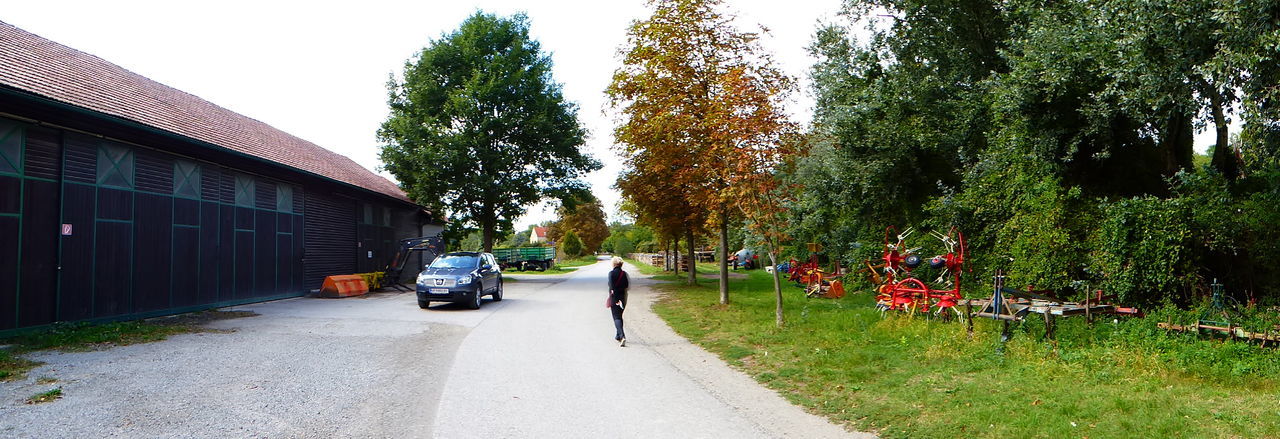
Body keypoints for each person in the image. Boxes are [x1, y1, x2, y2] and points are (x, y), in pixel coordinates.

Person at [607, 256, 630, 347]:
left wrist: (616, 299)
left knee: (616, 317)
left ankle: (622, 336)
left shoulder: (611, 273)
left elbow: (612, 287)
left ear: (613, 264)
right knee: (620, 316)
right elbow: (627, 285)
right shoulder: (624, 274)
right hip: (623, 297)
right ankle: (618, 335)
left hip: (615, 297)